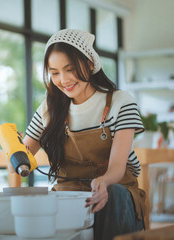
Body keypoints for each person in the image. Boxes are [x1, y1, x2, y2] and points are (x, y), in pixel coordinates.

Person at [23, 29, 147, 240]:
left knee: (114, 195)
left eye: (70, 69)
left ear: (90, 64)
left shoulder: (120, 102)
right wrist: (13, 151)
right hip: (68, 198)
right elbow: (21, 159)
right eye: (54, 73)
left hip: (115, 193)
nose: (63, 80)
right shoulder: (48, 109)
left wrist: (104, 182)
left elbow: (118, 167)